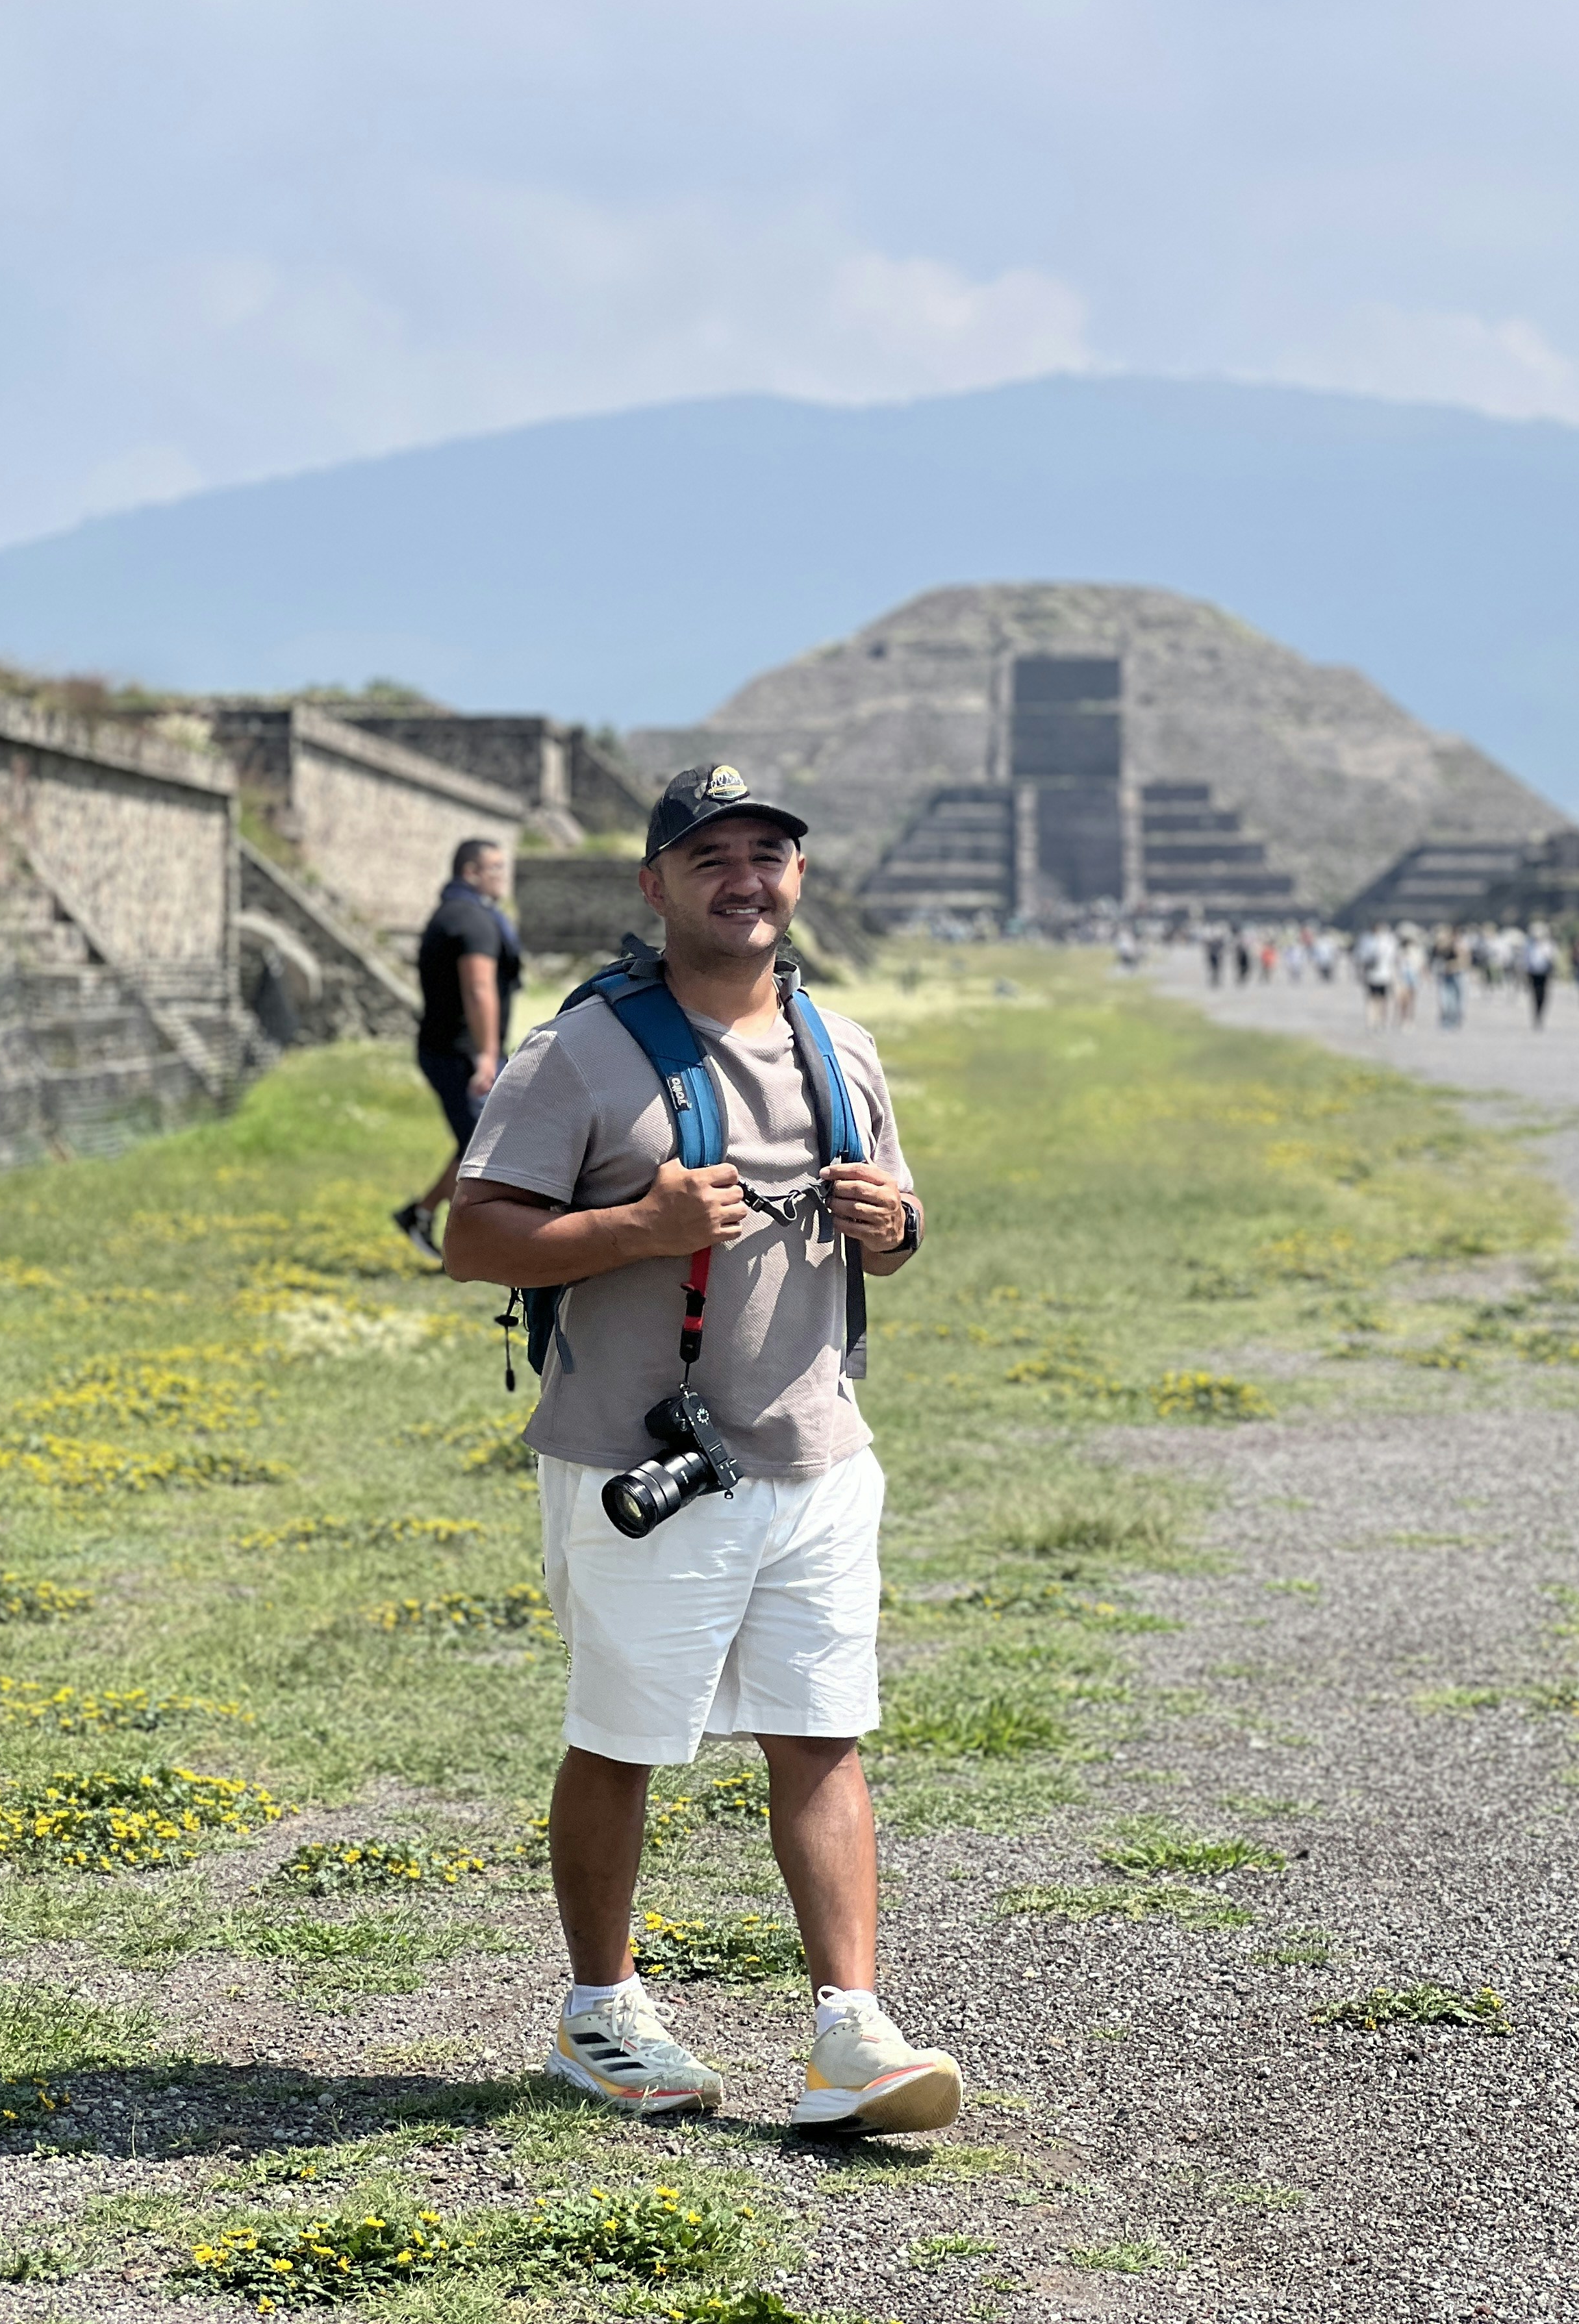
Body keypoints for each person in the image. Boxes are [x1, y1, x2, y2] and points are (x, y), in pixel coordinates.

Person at [442, 764, 957, 2133]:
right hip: (643, 1467)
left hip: (820, 1455)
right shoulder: (582, 1056)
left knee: (824, 1737)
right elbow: (471, 1237)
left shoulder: (844, 1047)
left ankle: (850, 2032)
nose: (745, 878)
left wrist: (893, 1232)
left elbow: (894, 1238)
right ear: (654, 886)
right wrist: (632, 1230)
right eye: (712, 855)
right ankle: (602, 2013)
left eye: (769, 855)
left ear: (798, 880)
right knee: (623, 1741)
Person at [394, 838, 522, 1260]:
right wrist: (487, 1055)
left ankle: (424, 1213)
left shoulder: (456, 913)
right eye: (495, 869)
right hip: (462, 1053)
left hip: (453, 1049)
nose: (503, 877)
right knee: (486, 1147)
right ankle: (458, 1228)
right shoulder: (471, 920)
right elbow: (478, 986)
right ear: (471, 872)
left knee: (482, 1141)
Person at [1522, 921, 1555, 1028]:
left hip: (1544, 973)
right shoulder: (1529, 945)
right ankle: (1536, 1014)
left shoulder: (1548, 945)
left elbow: (1552, 958)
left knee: (1543, 995)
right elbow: (1526, 960)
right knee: (1535, 994)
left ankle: (1541, 1013)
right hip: (1533, 973)